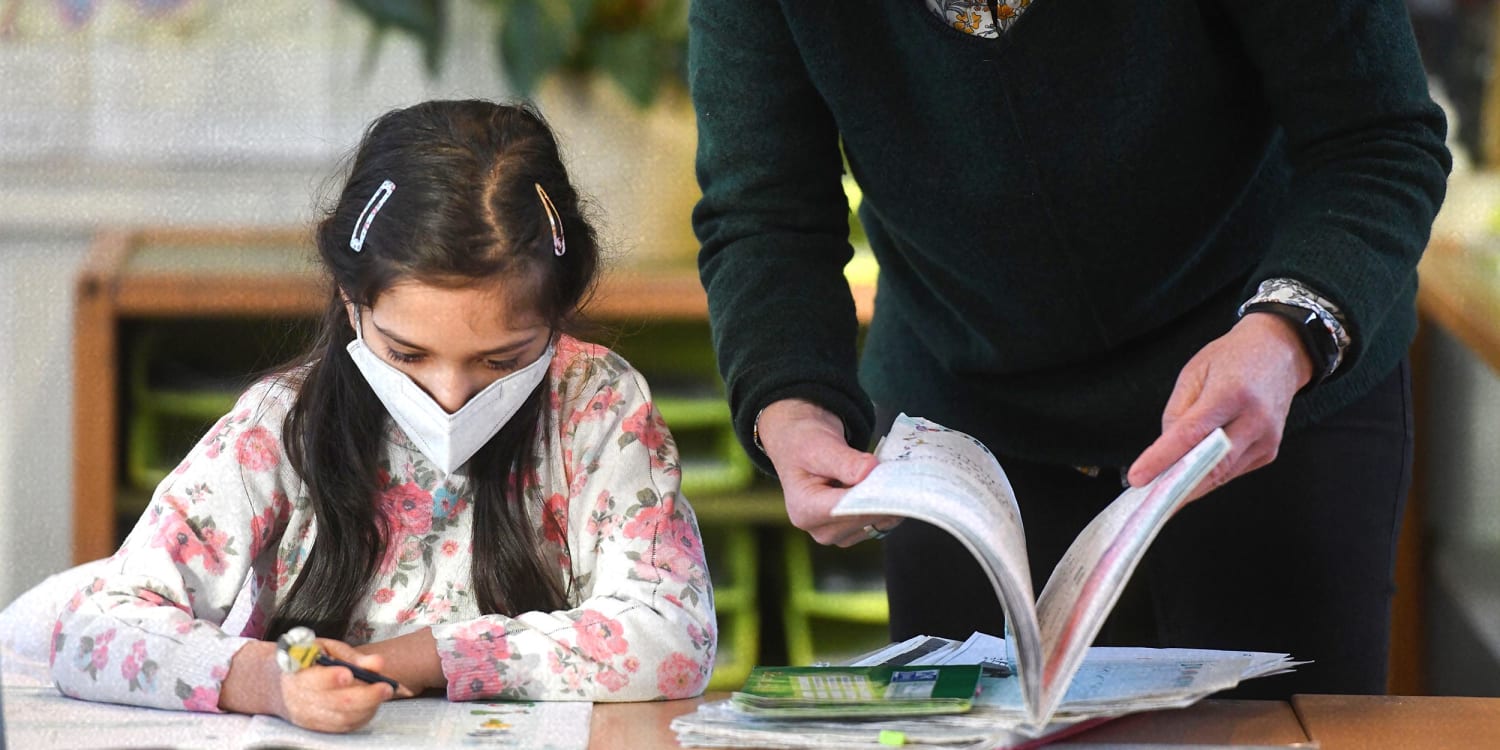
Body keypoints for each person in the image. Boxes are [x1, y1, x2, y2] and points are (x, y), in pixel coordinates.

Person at [688, 1, 1450, 698]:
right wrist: (793, 407)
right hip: (967, 425)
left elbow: (1377, 138)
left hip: (1260, 393)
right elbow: (764, 211)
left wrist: (1285, 335)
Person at [46, 100, 716, 732]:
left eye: (502, 361)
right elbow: (97, 629)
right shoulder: (285, 426)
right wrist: (269, 682)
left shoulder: (594, 404)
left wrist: (417, 659)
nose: (450, 394)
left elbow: (671, 631)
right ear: (350, 298)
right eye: (407, 353)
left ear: (558, 310)